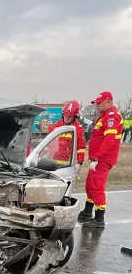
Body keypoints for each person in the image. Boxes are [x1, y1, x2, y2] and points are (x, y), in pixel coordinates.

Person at [78, 91, 124, 228]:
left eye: (99, 103)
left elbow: (109, 140)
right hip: (97, 159)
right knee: (90, 186)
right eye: (96, 103)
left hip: (103, 159)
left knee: (97, 188)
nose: (97, 106)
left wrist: (97, 157)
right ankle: (87, 212)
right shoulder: (103, 117)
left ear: (108, 102)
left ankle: (99, 219)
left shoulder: (111, 117)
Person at [48, 100, 86, 174]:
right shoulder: (55, 126)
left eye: (70, 116)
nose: (67, 118)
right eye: (65, 115)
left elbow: (81, 147)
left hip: (67, 164)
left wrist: (79, 162)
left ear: (75, 116)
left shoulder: (78, 129)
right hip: (52, 162)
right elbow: (47, 144)